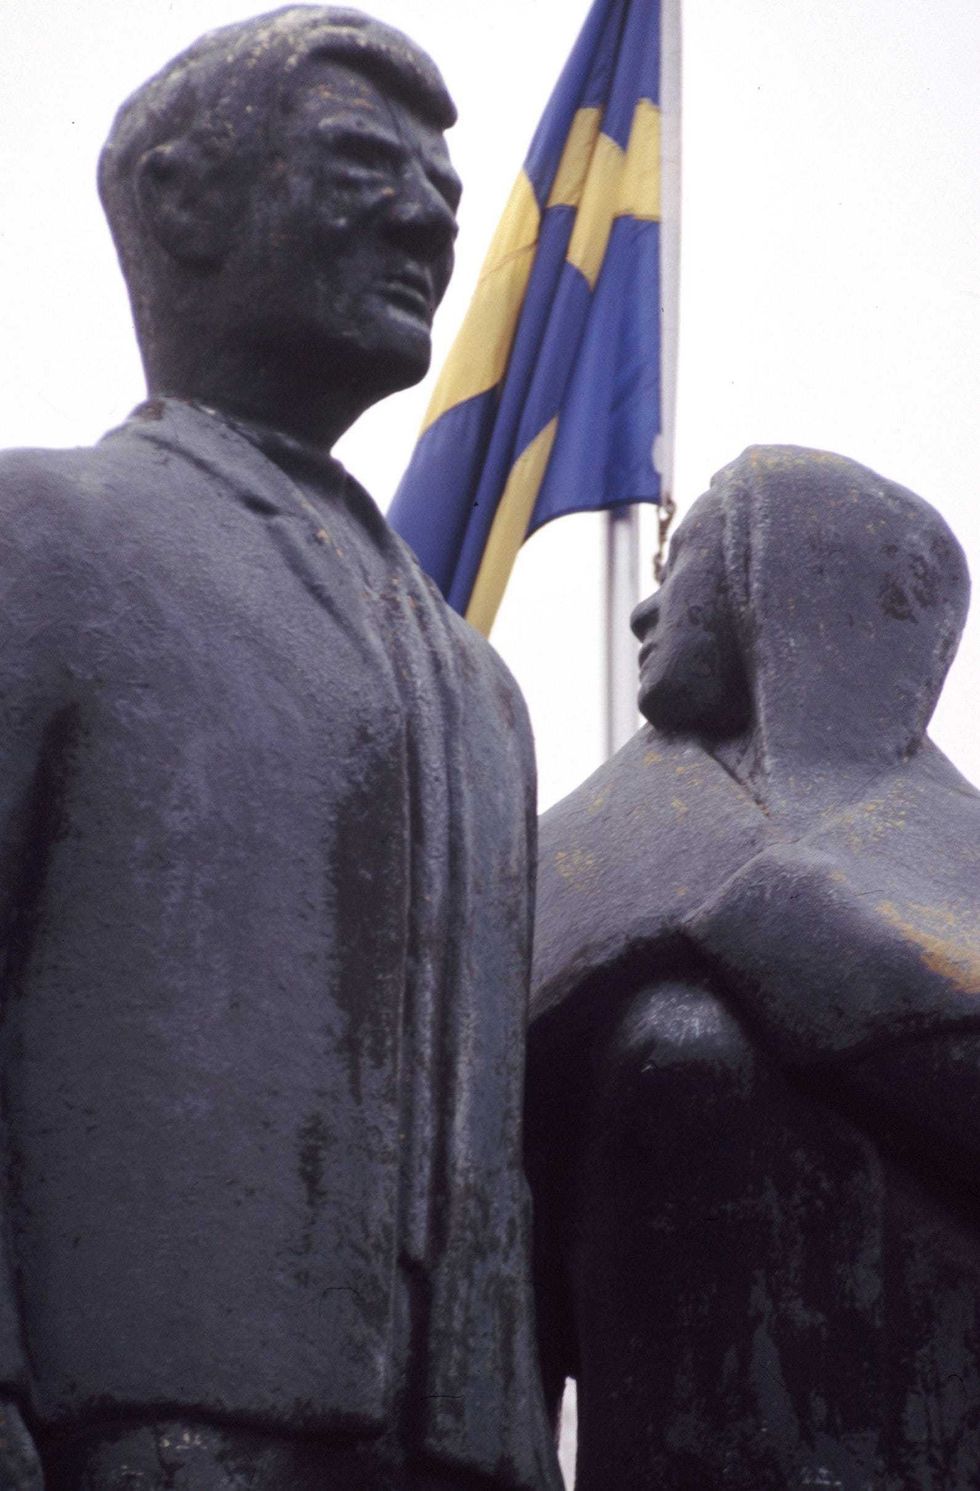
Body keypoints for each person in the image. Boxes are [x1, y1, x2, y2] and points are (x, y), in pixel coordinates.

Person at [0, 10, 561, 1489]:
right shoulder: (42, 534)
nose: (427, 219)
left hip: (460, 1446)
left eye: (444, 193)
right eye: (364, 166)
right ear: (182, 200)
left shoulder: (480, 680)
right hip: (148, 1422)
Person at [527, 446, 980, 1489]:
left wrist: (755, 901)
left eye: (678, 565)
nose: (645, 615)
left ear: (776, 578)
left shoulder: (960, 859)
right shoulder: (579, 854)